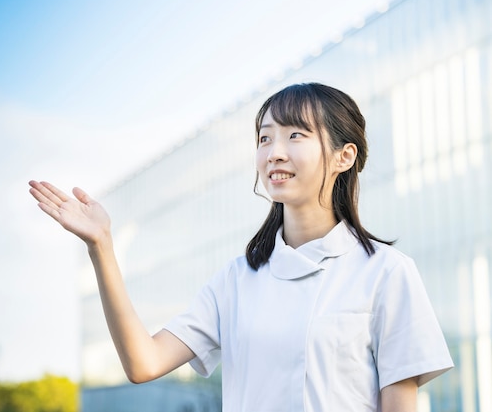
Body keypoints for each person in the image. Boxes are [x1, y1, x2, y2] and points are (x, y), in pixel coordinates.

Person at [29, 82, 453, 412]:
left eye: (295, 136)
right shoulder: (236, 280)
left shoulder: (386, 272)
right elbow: (144, 362)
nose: (274, 153)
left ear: (344, 156)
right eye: (265, 138)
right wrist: (101, 247)